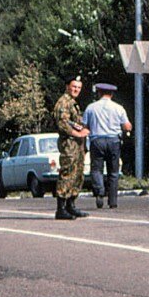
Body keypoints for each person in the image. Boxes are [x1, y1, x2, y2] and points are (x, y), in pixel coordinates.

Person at [83, 82, 133, 208]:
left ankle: (99, 192)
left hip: (97, 141)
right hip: (113, 141)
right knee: (113, 171)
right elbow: (127, 126)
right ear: (112, 94)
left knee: (96, 169)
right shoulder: (118, 108)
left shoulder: (91, 108)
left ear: (99, 92)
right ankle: (113, 200)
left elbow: (84, 126)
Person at [52, 76, 91, 220]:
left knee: (78, 173)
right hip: (69, 143)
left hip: (77, 144)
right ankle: (61, 208)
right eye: (74, 86)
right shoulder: (63, 103)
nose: (76, 90)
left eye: (79, 87)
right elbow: (63, 124)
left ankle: (71, 205)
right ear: (67, 86)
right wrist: (79, 133)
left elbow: (74, 122)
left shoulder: (72, 103)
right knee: (68, 173)